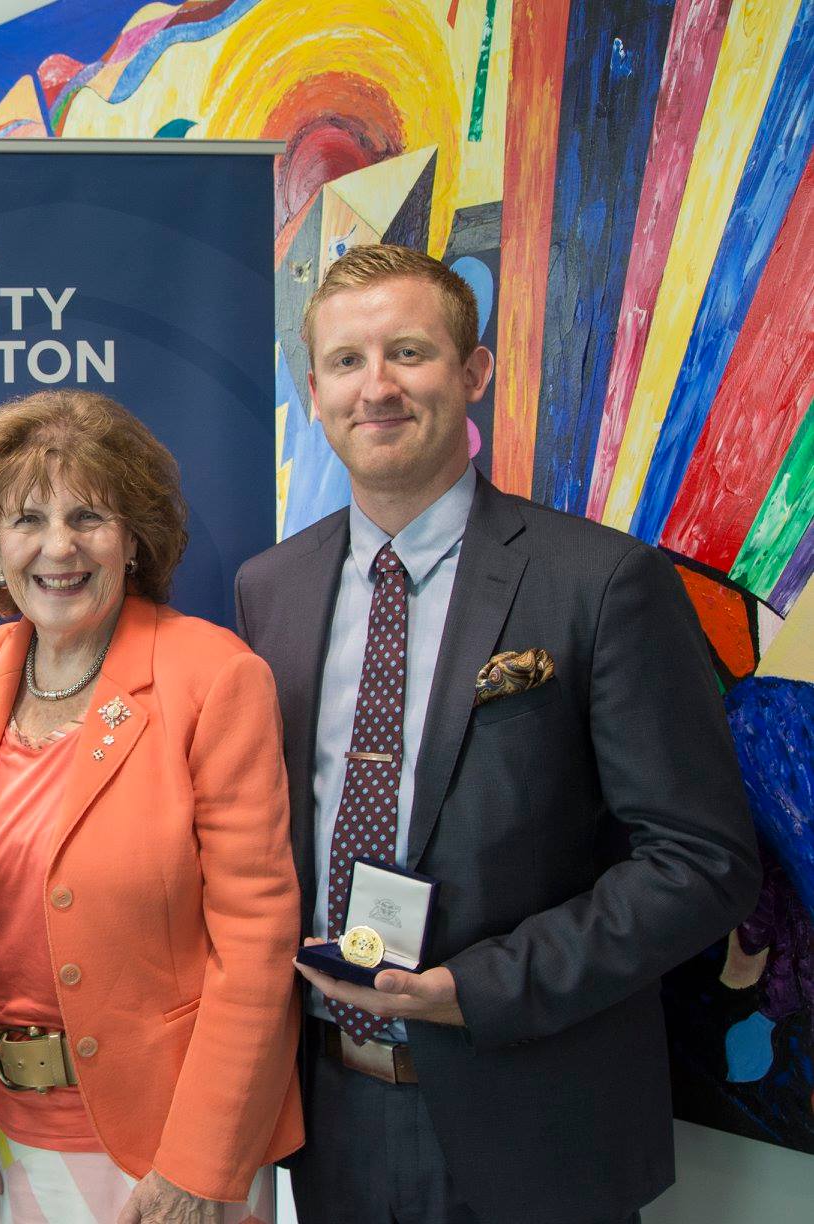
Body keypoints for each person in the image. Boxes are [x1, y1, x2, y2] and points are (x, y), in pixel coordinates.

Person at [234, 243, 761, 1224]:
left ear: (473, 374)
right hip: (331, 1117)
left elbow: (703, 861)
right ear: (314, 392)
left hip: (534, 1115)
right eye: (348, 362)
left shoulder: (599, 583)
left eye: (409, 353)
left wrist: (474, 988)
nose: (376, 387)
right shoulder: (271, 589)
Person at [0, 390, 303, 1224]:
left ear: (133, 540)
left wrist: (200, 1167)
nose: (60, 547)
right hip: (8, 1136)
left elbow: (258, 941)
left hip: (168, 1146)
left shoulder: (213, 677)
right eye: (27, 520)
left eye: (89, 515)